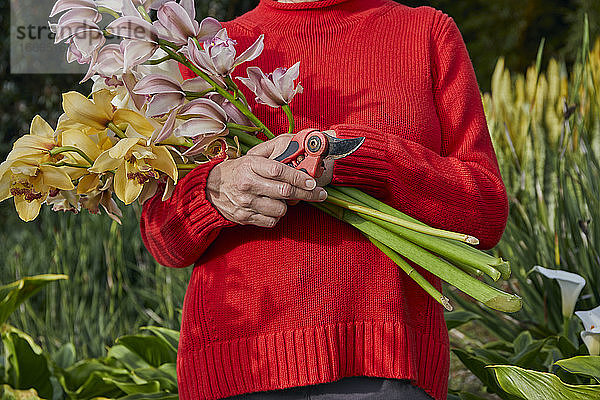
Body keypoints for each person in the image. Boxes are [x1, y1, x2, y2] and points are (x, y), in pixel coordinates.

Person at [139, 0, 509, 399]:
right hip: (238, 366)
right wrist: (213, 190)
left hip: (386, 363)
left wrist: (359, 160)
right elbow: (162, 239)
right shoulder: (204, 50)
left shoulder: (427, 33)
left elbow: (484, 212)